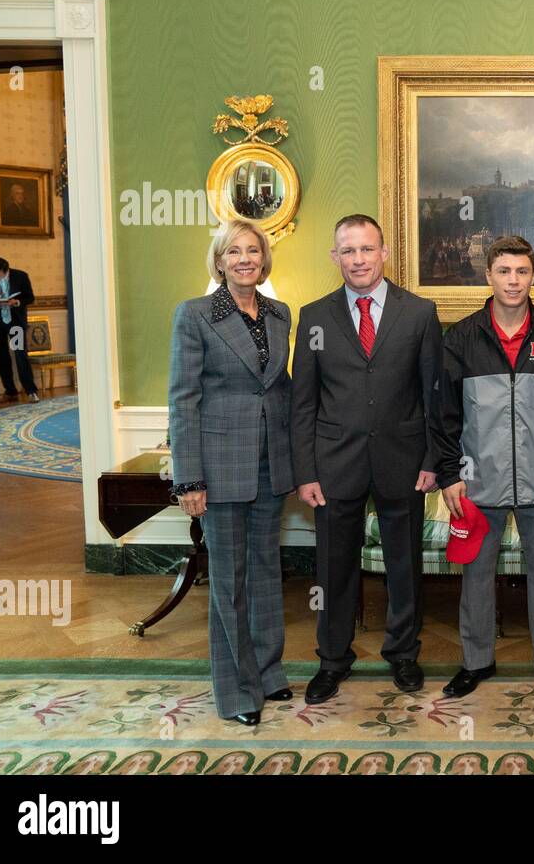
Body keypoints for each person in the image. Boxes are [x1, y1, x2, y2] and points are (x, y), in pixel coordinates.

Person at [291, 213, 442, 703]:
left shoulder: (419, 313)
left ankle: (403, 654)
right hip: (335, 465)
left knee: (404, 566)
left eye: (366, 249)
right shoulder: (314, 317)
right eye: (347, 251)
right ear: (336, 257)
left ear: (384, 253)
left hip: (404, 460)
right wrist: (306, 471)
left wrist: (432, 459)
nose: (358, 259)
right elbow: (303, 402)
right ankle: (333, 660)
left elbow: (433, 395)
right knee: (333, 569)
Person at [431, 235, 534, 698]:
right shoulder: (460, 337)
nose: (513, 281)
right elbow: (443, 414)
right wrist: (449, 474)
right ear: (488, 275)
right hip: (478, 481)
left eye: (521, 272)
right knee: (476, 574)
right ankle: (476, 661)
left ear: (533, 275)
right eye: (504, 272)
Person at [167, 220, 294, 726]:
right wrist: (189, 478)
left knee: (265, 570)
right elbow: (183, 399)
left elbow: (279, 388)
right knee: (228, 578)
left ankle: (268, 673)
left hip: (270, 463)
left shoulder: (280, 314)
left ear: (264, 259)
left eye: (254, 250)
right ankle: (237, 691)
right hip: (218, 467)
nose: (246, 259)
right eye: (234, 251)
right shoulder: (195, 315)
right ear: (219, 261)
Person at [0, 257, 38, 402]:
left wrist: (17, 301)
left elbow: (30, 298)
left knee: (20, 355)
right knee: (1, 356)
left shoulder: (21, 276)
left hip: (15, 322)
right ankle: (10, 392)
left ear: (6, 271)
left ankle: (31, 391)